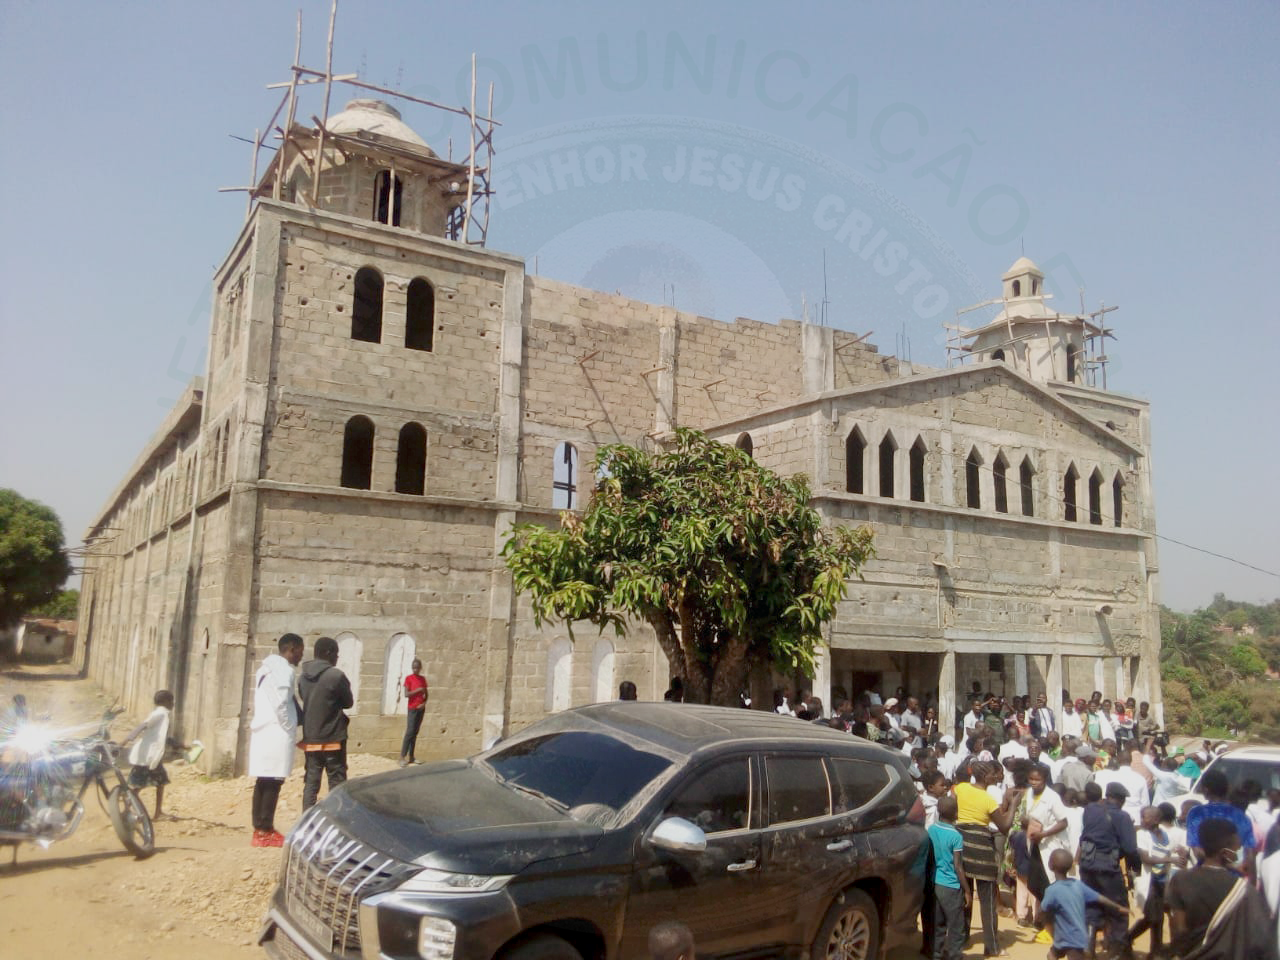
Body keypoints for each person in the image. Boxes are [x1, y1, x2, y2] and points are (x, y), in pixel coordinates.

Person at [1167, 817, 1278, 960]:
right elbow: (1261, 936)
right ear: (1225, 852)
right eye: (1235, 848)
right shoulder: (1243, 889)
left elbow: (1180, 930)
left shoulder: (1180, 879)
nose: (1238, 850)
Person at [955, 760, 1021, 958]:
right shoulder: (988, 800)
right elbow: (1005, 827)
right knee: (988, 901)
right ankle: (991, 946)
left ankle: (963, 939)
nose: (996, 777)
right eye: (994, 774)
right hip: (982, 851)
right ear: (985, 777)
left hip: (962, 847)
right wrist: (1014, 804)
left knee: (965, 896)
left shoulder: (961, 789)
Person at [248, 632, 305, 847]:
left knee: (263, 781)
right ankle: (265, 830)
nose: (301, 656)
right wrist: (290, 727)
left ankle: (260, 828)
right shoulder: (283, 670)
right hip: (277, 731)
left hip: (264, 730)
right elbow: (281, 702)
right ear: (291, 649)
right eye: (300, 651)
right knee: (273, 781)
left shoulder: (265, 668)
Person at [1078, 781, 1139, 957]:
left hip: (1087, 866)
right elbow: (1130, 848)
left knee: (1092, 905)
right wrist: (1136, 868)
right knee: (1119, 910)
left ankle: (1088, 948)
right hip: (1108, 868)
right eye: (1122, 799)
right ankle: (1116, 954)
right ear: (1118, 799)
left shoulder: (1089, 810)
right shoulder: (1122, 816)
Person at [1039, 848, 1128, 960]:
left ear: (1050, 865)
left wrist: (1043, 920)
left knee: (1053, 955)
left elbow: (1042, 910)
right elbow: (1100, 898)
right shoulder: (1078, 885)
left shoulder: (1052, 890)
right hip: (1075, 937)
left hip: (1069, 940)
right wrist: (1118, 907)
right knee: (1052, 954)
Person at [298, 636, 354, 810]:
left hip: (311, 738)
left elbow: (303, 697)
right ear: (328, 653)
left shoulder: (303, 677)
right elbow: (348, 702)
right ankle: (338, 820)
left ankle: (306, 822)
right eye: (336, 653)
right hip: (333, 739)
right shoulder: (336, 676)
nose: (337, 658)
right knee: (337, 782)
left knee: (311, 782)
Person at [1124, 805, 1180, 959]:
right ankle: (1128, 939)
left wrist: (1179, 853)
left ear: (1156, 819)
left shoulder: (1165, 834)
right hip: (1149, 882)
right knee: (1151, 917)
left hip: (1162, 881)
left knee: (1159, 918)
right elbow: (1146, 859)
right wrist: (1170, 859)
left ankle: (1155, 951)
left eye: (1145, 817)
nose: (1142, 820)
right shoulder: (1142, 834)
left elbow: (1174, 849)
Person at [1186, 770, 1258, 878]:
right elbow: (1250, 856)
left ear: (1206, 790)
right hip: (1235, 881)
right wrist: (1251, 887)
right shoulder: (1242, 817)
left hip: (1206, 878)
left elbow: (1199, 853)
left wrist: (1231, 865)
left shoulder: (1197, 814)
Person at [119, 689, 176, 819]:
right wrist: (125, 741)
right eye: (171, 701)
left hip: (151, 755)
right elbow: (142, 726)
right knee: (139, 785)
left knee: (160, 782)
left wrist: (182, 746)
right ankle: (126, 811)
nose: (173, 704)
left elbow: (161, 737)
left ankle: (158, 812)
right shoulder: (161, 713)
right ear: (165, 702)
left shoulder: (161, 714)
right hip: (147, 755)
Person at [929, 794, 970, 960]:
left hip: (935, 882)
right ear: (956, 814)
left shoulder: (932, 829)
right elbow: (958, 866)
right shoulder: (956, 836)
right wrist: (967, 890)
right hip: (951, 885)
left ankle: (936, 954)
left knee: (938, 923)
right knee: (956, 925)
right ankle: (955, 956)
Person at [399, 658, 428, 766]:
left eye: (417, 667)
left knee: (415, 732)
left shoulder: (423, 679)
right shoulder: (409, 679)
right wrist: (419, 690)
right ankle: (402, 757)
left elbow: (426, 694)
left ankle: (412, 756)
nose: (415, 669)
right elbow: (406, 694)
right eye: (414, 667)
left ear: (420, 668)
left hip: (421, 708)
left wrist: (424, 703)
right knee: (409, 732)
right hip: (412, 708)